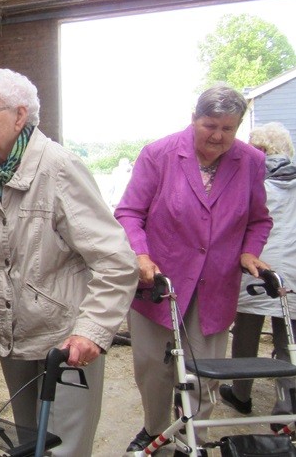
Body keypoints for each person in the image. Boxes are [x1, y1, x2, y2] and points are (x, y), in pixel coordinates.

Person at [0, 68, 138, 457]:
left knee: (65, 448)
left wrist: (91, 331)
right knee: (30, 443)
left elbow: (116, 261)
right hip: (12, 340)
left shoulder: (59, 168)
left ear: (20, 115)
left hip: (64, 341)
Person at [115, 84, 273, 453]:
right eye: (209, 125)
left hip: (216, 283)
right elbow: (129, 212)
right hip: (160, 281)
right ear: (193, 119)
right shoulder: (160, 154)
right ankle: (157, 429)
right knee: (154, 367)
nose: (218, 136)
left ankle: (194, 435)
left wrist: (250, 252)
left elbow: (259, 220)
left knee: (204, 371)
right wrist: (140, 255)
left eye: (228, 128)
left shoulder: (250, 161)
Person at [220, 122, 296, 420]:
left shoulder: (253, 181)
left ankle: (241, 395)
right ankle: (287, 403)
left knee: (246, 331)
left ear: (260, 150)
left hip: (256, 265)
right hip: (292, 266)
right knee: (288, 335)